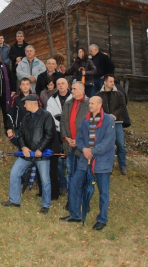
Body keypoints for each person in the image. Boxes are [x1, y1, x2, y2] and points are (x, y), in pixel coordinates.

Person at [68, 96, 116, 230]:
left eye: (93, 103)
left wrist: (93, 151)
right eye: (89, 103)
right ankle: (75, 214)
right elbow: (79, 137)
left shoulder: (108, 120)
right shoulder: (86, 119)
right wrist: (83, 149)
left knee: (103, 191)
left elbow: (108, 142)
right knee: (74, 184)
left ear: (100, 105)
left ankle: (102, 219)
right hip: (85, 158)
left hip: (102, 161)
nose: (90, 105)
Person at [1, 94, 54, 214]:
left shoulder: (46, 116)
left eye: (25, 103)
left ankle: (45, 205)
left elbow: (49, 134)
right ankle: (14, 200)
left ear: (32, 103)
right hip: (27, 154)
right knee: (15, 173)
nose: (24, 106)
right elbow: (20, 134)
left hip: (42, 155)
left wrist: (40, 149)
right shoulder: (26, 117)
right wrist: (24, 147)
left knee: (45, 180)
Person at [58, 81, 89, 222]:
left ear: (82, 90)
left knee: (82, 176)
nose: (72, 91)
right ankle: (72, 203)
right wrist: (67, 137)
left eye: (75, 89)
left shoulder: (89, 104)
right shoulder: (68, 103)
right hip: (70, 145)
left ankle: (83, 202)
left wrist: (79, 140)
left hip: (83, 147)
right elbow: (63, 121)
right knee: (71, 174)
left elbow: (91, 127)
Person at [95, 74, 128, 175]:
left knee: (121, 145)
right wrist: (105, 116)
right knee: (107, 146)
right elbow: (96, 108)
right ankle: (108, 166)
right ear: (105, 83)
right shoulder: (98, 95)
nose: (113, 83)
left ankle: (123, 166)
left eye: (113, 81)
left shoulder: (119, 94)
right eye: (110, 81)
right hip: (104, 124)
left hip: (117, 122)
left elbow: (123, 106)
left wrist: (114, 115)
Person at [46, 77, 72, 198]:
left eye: (63, 83)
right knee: (59, 163)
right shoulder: (52, 99)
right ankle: (63, 186)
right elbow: (49, 116)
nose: (60, 85)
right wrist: (59, 126)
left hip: (71, 134)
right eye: (58, 84)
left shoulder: (73, 98)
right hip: (57, 134)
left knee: (70, 162)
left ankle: (72, 186)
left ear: (68, 85)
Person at [6, 77, 38, 147]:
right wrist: (9, 128)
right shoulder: (15, 98)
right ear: (20, 86)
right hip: (20, 128)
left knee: (34, 147)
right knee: (22, 147)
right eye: (23, 84)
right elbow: (10, 113)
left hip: (34, 128)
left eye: (27, 84)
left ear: (30, 85)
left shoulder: (36, 97)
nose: (25, 86)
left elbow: (41, 113)